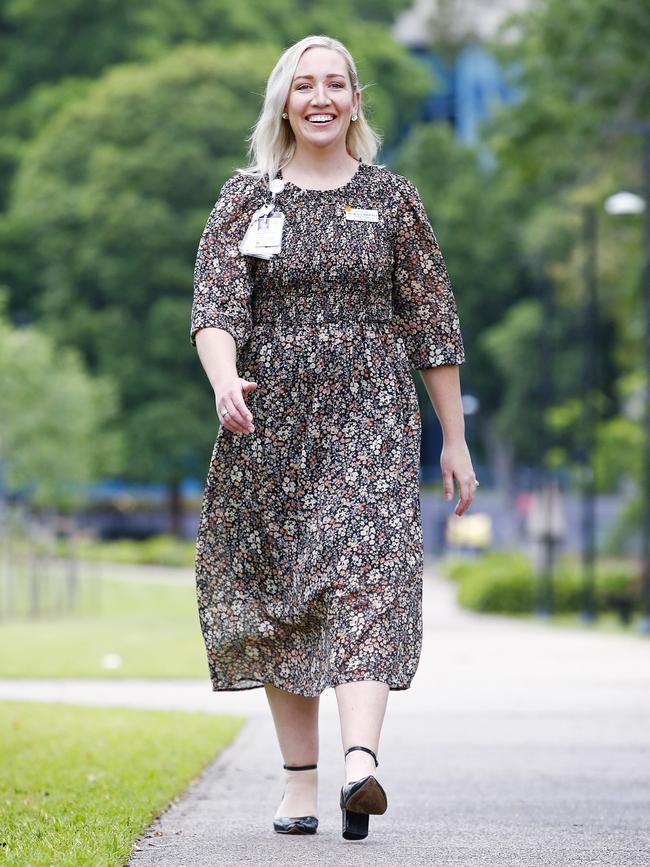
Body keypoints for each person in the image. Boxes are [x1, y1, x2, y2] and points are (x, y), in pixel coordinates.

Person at [190, 34, 478, 841]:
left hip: (374, 417)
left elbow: (433, 323)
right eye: (305, 85)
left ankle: (360, 761)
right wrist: (223, 381)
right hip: (272, 419)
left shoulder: (393, 198)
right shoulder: (247, 198)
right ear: (284, 101)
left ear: (356, 101)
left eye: (336, 85)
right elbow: (215, 309)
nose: (321, 98)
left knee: (367, 571)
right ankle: (300, 785)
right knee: (285, 593)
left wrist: (453, 441)